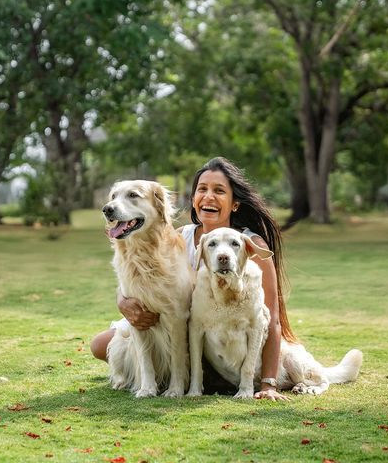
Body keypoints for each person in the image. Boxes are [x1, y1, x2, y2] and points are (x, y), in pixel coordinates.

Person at [90, 157, 297, 401]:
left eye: (219, 191)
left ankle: (201, 374)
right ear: (194, 199)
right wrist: (123, 302)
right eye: (202, 189)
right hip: (175, 320)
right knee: (100, 344)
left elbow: (270, 318)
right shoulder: (179, 237)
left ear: (235, 204)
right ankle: (159, 376)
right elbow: (142, 281)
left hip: (219, 331)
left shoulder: (249, 245)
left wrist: (268, 383)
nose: (208, 196)